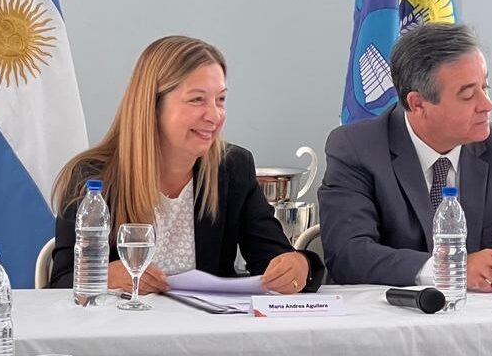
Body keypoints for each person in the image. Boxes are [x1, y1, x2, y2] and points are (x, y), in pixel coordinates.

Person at [319, 22, 492, 289]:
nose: (487, 105)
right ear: (418, 104)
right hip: (395, 312)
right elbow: (348, 254)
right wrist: (450, 268)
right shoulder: (357, 149)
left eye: (485, 87)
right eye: (468, 95)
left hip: (489, 312)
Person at [49, 36, 323, 293]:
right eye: (197, 100)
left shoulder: (232, 167)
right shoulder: (91, 175)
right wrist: (106, 276)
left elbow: (273, 261)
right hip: (119, 326)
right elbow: (61, 281)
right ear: (152, 105)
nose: (214, 115)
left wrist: (300, 266)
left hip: (207, 327)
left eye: (220, 99)